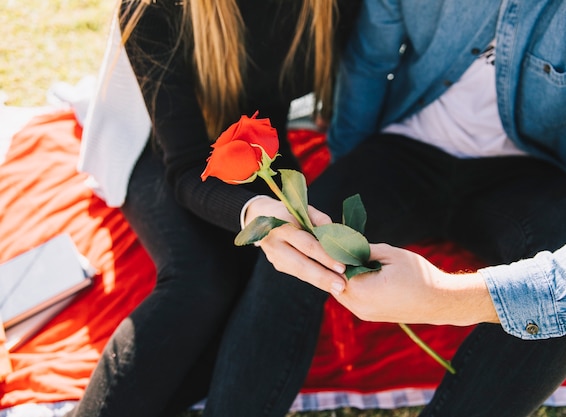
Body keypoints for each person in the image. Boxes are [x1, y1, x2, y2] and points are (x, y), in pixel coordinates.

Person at [201, 0, 566, 416]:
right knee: (302, 240)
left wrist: (440, 298)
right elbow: (368, 61)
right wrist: (347, 166)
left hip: (531, 171)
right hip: (403, 152)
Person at [66, 0, 359, 416]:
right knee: (202, 281)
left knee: (272, 282)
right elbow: (185, 165)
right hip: (152, 142)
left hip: (253, 138)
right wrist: (255, 211)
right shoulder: (154, 9)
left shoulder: (335, 7)